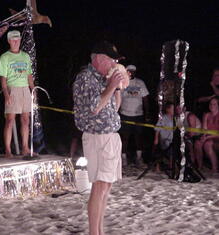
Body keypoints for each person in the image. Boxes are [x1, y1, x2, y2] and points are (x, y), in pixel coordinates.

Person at [73, 40, 125, 235]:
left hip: (110, 136)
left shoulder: (104, 80)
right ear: (100, 59)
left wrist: (117, 87)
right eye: (112, 61)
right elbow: (94, 108)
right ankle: (94, 232)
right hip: (97, 138)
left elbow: (115, 107)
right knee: (99, 186)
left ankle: (100, 231)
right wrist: (111, 86)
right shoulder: (86, 78)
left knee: (107, 186)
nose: (114, 65)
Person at [0, 30, 35, 158]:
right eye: (13, 39)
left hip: (25, 89)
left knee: (25, 120)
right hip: (12, 88)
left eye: (17, 39)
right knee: (10, 120)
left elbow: (29, 75)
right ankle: (8, 150)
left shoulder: (25, 56)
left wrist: (33, 90)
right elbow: (2, 78)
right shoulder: (5, 57)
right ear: (9, 41)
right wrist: (6, 94)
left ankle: (25, 147)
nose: (16, 41)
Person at [119, 64, 149, 166]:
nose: (131, 72)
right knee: (124, 137)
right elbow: (118, 98)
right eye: (129, 70)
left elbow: (145, 98)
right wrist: (117, 112)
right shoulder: (122, 82)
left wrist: (147, 113)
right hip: (125, 114)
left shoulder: (140, 83)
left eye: (133, 71)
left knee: (138, 137)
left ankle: (139, 157)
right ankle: (123, 158)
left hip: (138, 114)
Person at [194, 97, 219, 173]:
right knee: (197, 143)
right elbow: (204, 129)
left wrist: (207, 137)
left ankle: (215, 167)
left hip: (216, 137)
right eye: (210, 104)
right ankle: (200, 166)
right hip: (209, 137)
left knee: (208, 144)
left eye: (214, 104)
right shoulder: (207, 115)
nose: (212, 106)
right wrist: (204, 136)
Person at [153, 102, 174, 172]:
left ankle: (172, 166)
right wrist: (156, 139)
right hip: (164, 139)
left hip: (172, 139)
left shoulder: (176, 118)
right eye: (172, 109)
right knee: (161, 149)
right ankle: (158, 166)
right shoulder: (163, 118)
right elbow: (157, 129)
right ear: (168, 109)